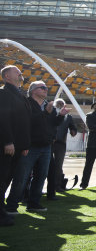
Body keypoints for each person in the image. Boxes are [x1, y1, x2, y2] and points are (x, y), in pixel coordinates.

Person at [5, 81, 68, 214]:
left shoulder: (47, 105)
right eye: (43, 88)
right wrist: (45, 112)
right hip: (30, 146)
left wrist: (61, 116)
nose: (46, 90)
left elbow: (52, 124)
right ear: (33, 90)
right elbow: (28, 122)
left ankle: (34, 203)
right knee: (21, 177)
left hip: (46, 146)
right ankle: (11, 206)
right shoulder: (26, 103)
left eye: (46, 87)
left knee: (41, 176)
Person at [0, 66, 31, 226]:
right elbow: (3, 119)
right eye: (16, 71)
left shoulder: (19, 95)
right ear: (7, 76)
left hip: (18, 146)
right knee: (2, 178)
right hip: (8, 145)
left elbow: (23, 123)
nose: (21, 73)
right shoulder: (4, 93)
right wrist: (8, 141)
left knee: (7, 178)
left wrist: (24, 145)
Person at [47, 98, 77, 198]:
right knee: (44, 165)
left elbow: (73, 127)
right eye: (58, 103)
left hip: (61, 144)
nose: (60, 104)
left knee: (58, 165)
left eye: (62, 103)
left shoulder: (68, 117)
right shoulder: (51, 113)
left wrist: (73, 131)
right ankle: (41, 187)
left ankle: (57, 186)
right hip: (50, 142)